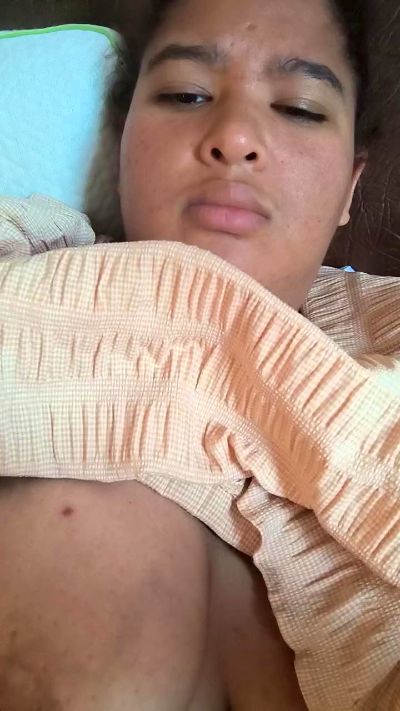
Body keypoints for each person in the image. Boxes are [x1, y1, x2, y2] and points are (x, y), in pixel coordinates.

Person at [1, 0, 397, 710]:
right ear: (122, 144)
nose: (235, 136)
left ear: (351, 187)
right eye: (187, 95)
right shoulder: (25, 258)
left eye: (299, 108)